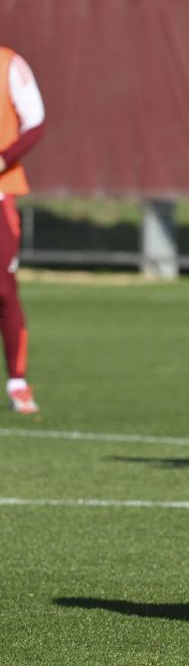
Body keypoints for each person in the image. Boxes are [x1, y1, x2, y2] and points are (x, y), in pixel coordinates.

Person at [0, 47, 45, 415]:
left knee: (3, 288)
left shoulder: (8, 64)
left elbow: (36, 122)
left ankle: (17, 381)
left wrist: (3, 157)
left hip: (0, 191)